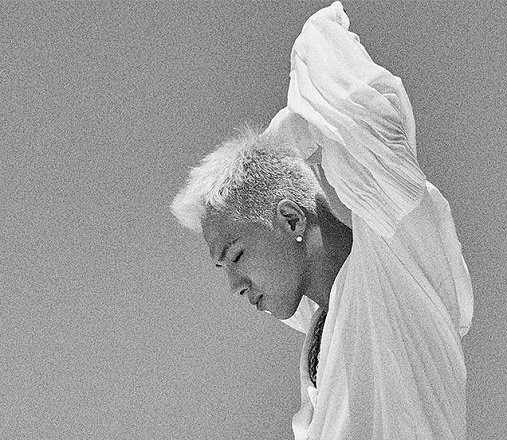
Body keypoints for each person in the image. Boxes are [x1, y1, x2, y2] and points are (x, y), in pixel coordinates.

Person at [170, 2, 474, 438]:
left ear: (291, 220)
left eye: (236, 256)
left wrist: (276, 148)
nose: (235, 285)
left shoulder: (396, 266)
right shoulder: (317, 321)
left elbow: (357, 103)